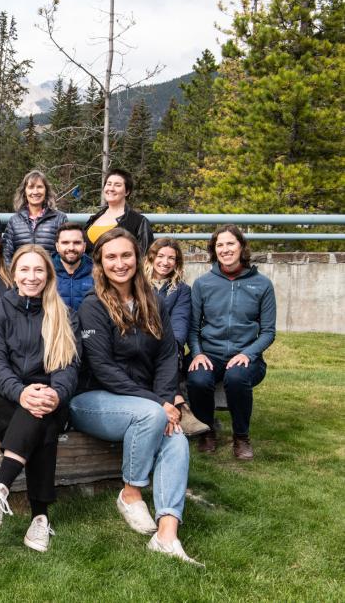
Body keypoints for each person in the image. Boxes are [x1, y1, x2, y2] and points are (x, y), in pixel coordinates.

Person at [69, 228, 201, 566]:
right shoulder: (93, 305)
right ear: (99, 263)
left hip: (146, 403)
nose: (120, 263)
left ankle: (167, 534)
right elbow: (101, 368)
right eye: (110, 256)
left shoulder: (153, 301)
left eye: (126, 255)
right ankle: (130, 493)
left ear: (139, 258)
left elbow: (168, 356)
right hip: (92, 400)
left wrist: (164, 399)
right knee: (155, 417)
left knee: (176, 440)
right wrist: (159, 403)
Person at [0, 244, 80, 552]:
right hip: (3, 399)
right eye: (24, 269)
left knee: (42, 416)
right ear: (14, 273)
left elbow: (69, 365)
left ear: (48, 274)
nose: (31, 276)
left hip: (51, 399)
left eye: (39, 270)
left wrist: (55, 393)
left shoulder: (63, 313)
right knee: (40, 421)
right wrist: (21, 392)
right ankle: (40, 518)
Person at [187, 225, 276, 460]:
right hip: (210, 354)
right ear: (214, 251)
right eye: (219, 245)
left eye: (230, 244)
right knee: (197, 378)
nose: (225, 249)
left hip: (247, 355)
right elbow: (193, 328)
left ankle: (241, 437)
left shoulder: (262, 284)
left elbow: (268, 332)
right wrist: (197, 353)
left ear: (241, 246)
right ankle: (206, 431)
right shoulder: (203, 284)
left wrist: (248, 353)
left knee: (236, 377)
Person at [144, 238, 209, 437]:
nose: (165, 262)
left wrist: (164, 345)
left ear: (177, 262)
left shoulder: (181, 290)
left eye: (171, 258)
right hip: (139, 343)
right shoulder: (136, 284)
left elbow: (180, 325)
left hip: (168, 346)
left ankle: (172, 410)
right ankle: (179, 404)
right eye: (161, 256)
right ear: (152, 257)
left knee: (169, 353)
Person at [2, 170, 68, 265]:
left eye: (40, 187)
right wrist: (13, 277)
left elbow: (64, 252)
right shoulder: (14, 220)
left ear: (46, 190)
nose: (35, 191)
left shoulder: (59, 218)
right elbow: (6, 254)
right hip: (22, 277)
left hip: (51, 276)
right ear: (25, 191)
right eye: (31, 187)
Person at [82, 168, 153, 254]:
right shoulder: (95, 218)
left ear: (127, 192)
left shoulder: (138, 222)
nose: (111, 188)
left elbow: (144, 258)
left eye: (117, 185)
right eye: (108, 184)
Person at [52, 223, 94, 312]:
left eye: (77, 243)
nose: (71, 247)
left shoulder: (97, 272)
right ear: (57, 246)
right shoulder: (46, 271)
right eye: (65, 243)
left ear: (84, 246)